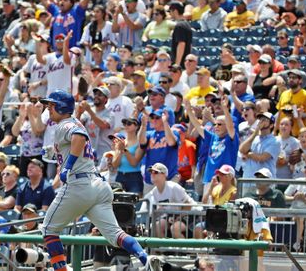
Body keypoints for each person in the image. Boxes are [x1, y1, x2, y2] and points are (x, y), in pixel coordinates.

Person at [39, 90, 148, 270]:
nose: (48, 109)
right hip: (98, 185)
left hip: (79, 185)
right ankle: (145, 258)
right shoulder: (74, 122)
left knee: (49, 229)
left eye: (51, 105)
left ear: (61, 106)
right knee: (115, 235)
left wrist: (67, 166)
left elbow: (79, 137)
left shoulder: (65, 124)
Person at [144, 163, 196, 239]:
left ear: (164, 175)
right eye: (151, 172)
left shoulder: (173, 187)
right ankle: (164, 250)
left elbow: (188, 205)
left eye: (155, 172)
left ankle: (185, 250)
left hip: (190, 214)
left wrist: (178, 218)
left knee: (175, 228)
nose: (152, 174)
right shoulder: (154, 192)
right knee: (157, 225)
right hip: (172, 216)